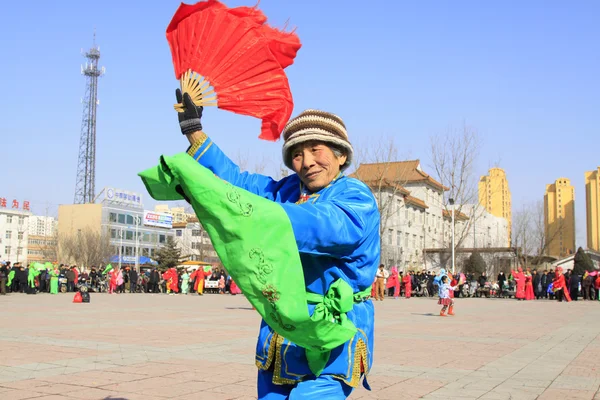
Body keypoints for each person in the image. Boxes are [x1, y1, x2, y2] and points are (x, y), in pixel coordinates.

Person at [141, 95, 380, 399]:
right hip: (282, 334)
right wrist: (195, 133)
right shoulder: (288, 191)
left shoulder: (355, 196)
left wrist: (252, 214)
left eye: (315, 150)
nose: (306, 162)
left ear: (340, 155)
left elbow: (324, 225)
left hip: (333, 334)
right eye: (296, 154)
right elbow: (237, 183)